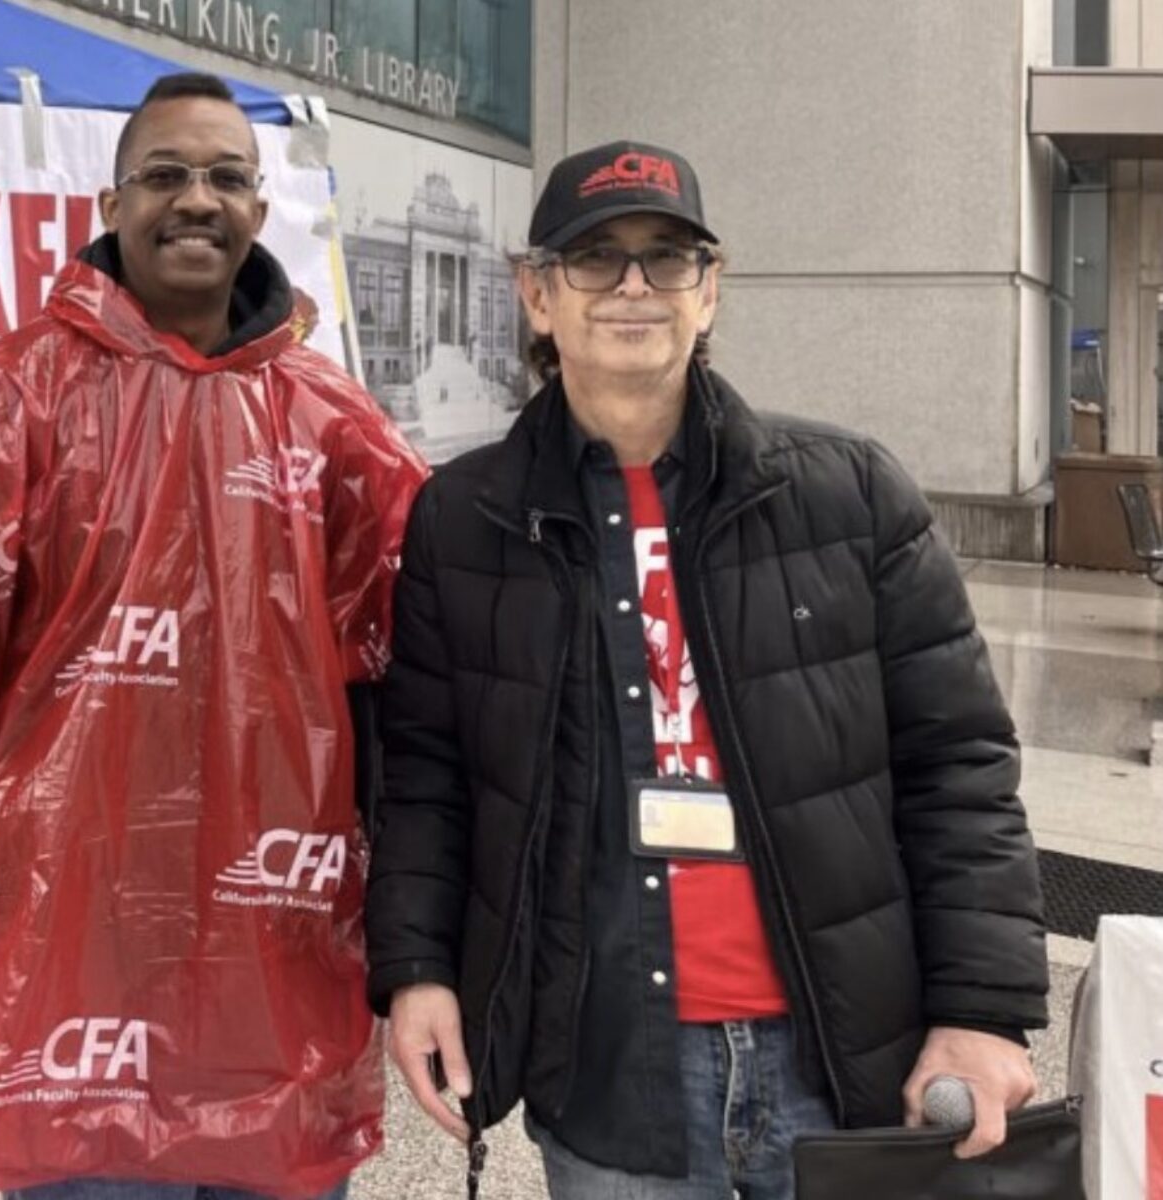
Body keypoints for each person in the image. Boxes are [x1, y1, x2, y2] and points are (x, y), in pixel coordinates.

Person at [0, 73, 426, 1199]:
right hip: (62, 929)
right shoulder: (8, 397)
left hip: (277, 935)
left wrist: (416, 925)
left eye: (226, 176)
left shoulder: (331, 420)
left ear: (260, 212)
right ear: (113, 202)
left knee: (267, 1156)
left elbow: (399, 677)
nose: (197, 198)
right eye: (166, 174)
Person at [364, 140, 1048, 1199]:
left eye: (667, 257)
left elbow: (956, 766)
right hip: (609, 1064)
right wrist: (418, 972)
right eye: (596, 258)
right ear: (538, 295)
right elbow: (426, 776)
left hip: (844, 1054)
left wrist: (981, 1011)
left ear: (709, 289)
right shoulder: (468, 519)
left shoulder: (848, 495)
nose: (635, 286)